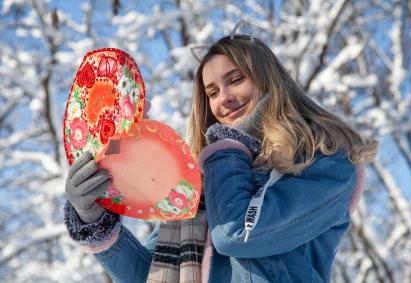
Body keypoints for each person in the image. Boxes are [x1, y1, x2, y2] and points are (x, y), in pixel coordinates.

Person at [64, 21, 378, 283]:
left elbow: (237, 233)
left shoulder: (326, 161)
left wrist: (228, 148)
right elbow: (150, 274)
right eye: (212, 92)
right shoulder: (204, 183)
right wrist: (95, 223)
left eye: (236, 79)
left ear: (270, 81)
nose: (223, 98)